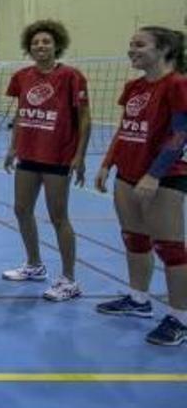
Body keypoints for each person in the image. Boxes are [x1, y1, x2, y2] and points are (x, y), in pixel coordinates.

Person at [95, 26, 187, 345]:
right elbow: (125, 128)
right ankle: (138, 299)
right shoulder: (134, 86)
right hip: (127, 173)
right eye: (130, 44)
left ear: (163, 50)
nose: (132, 50)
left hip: (164, 176)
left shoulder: (176, 84)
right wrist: (107, 163)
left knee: (171, 249)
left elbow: (179, 135)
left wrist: (155, 174)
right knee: (134, 239)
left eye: (140, 45)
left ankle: (179, 318)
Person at [2, 20, 90, 302]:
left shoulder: (71, 77)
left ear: (56, 46)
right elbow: (21, 113)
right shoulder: (22, 77)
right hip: (28, 153)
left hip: (58, 155)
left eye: (46, 42)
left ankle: (69, 279)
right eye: (35, 42)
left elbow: (84, 118)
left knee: (58, 217)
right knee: (21, 209)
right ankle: (34, 264)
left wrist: (80, 155)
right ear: (29, 47)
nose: (40, 46)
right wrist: (12, 147)